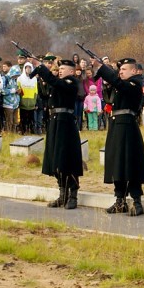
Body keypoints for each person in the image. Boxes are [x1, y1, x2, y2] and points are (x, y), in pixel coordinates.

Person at [93, 57, 144, 216]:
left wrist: (102, 68)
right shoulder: (121, 85)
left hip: (127, 126)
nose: (121, 72)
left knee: (131, 163)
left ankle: (137, 201)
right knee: (116, 162)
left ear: (133, 71)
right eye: (120, 70)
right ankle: (120, 200)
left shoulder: (135, 84)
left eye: (124, 69)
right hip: (116, 125)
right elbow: (110, 96)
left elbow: (120, 84)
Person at [28, 58, 84, 209]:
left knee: (68, 158)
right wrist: (40, 76)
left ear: (71, 71)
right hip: (55, 122)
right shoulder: (58, 83)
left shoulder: (71, 82)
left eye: (64, 68)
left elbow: (57, 83)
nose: (61, 70)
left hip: (65, 122)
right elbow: (46, 94)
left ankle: (73, 194)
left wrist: (41, 67)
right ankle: (62, 194)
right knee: (55, 158)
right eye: (60, 68)